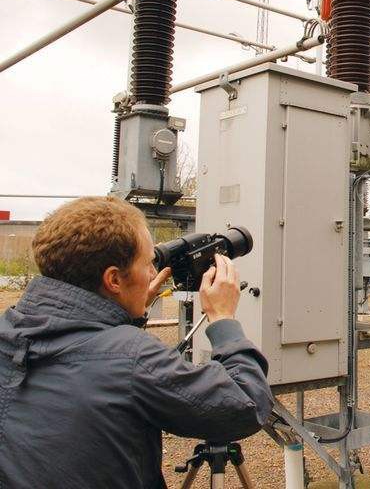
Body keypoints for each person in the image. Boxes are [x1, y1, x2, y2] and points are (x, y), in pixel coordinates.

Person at [0, 196, 273, 489]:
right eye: (147, 263)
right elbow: (244, 406)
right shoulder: (133, 357)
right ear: (114, 280)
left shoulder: (9, 329)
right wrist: (223, 318)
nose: (153, 273)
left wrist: (124, 313)